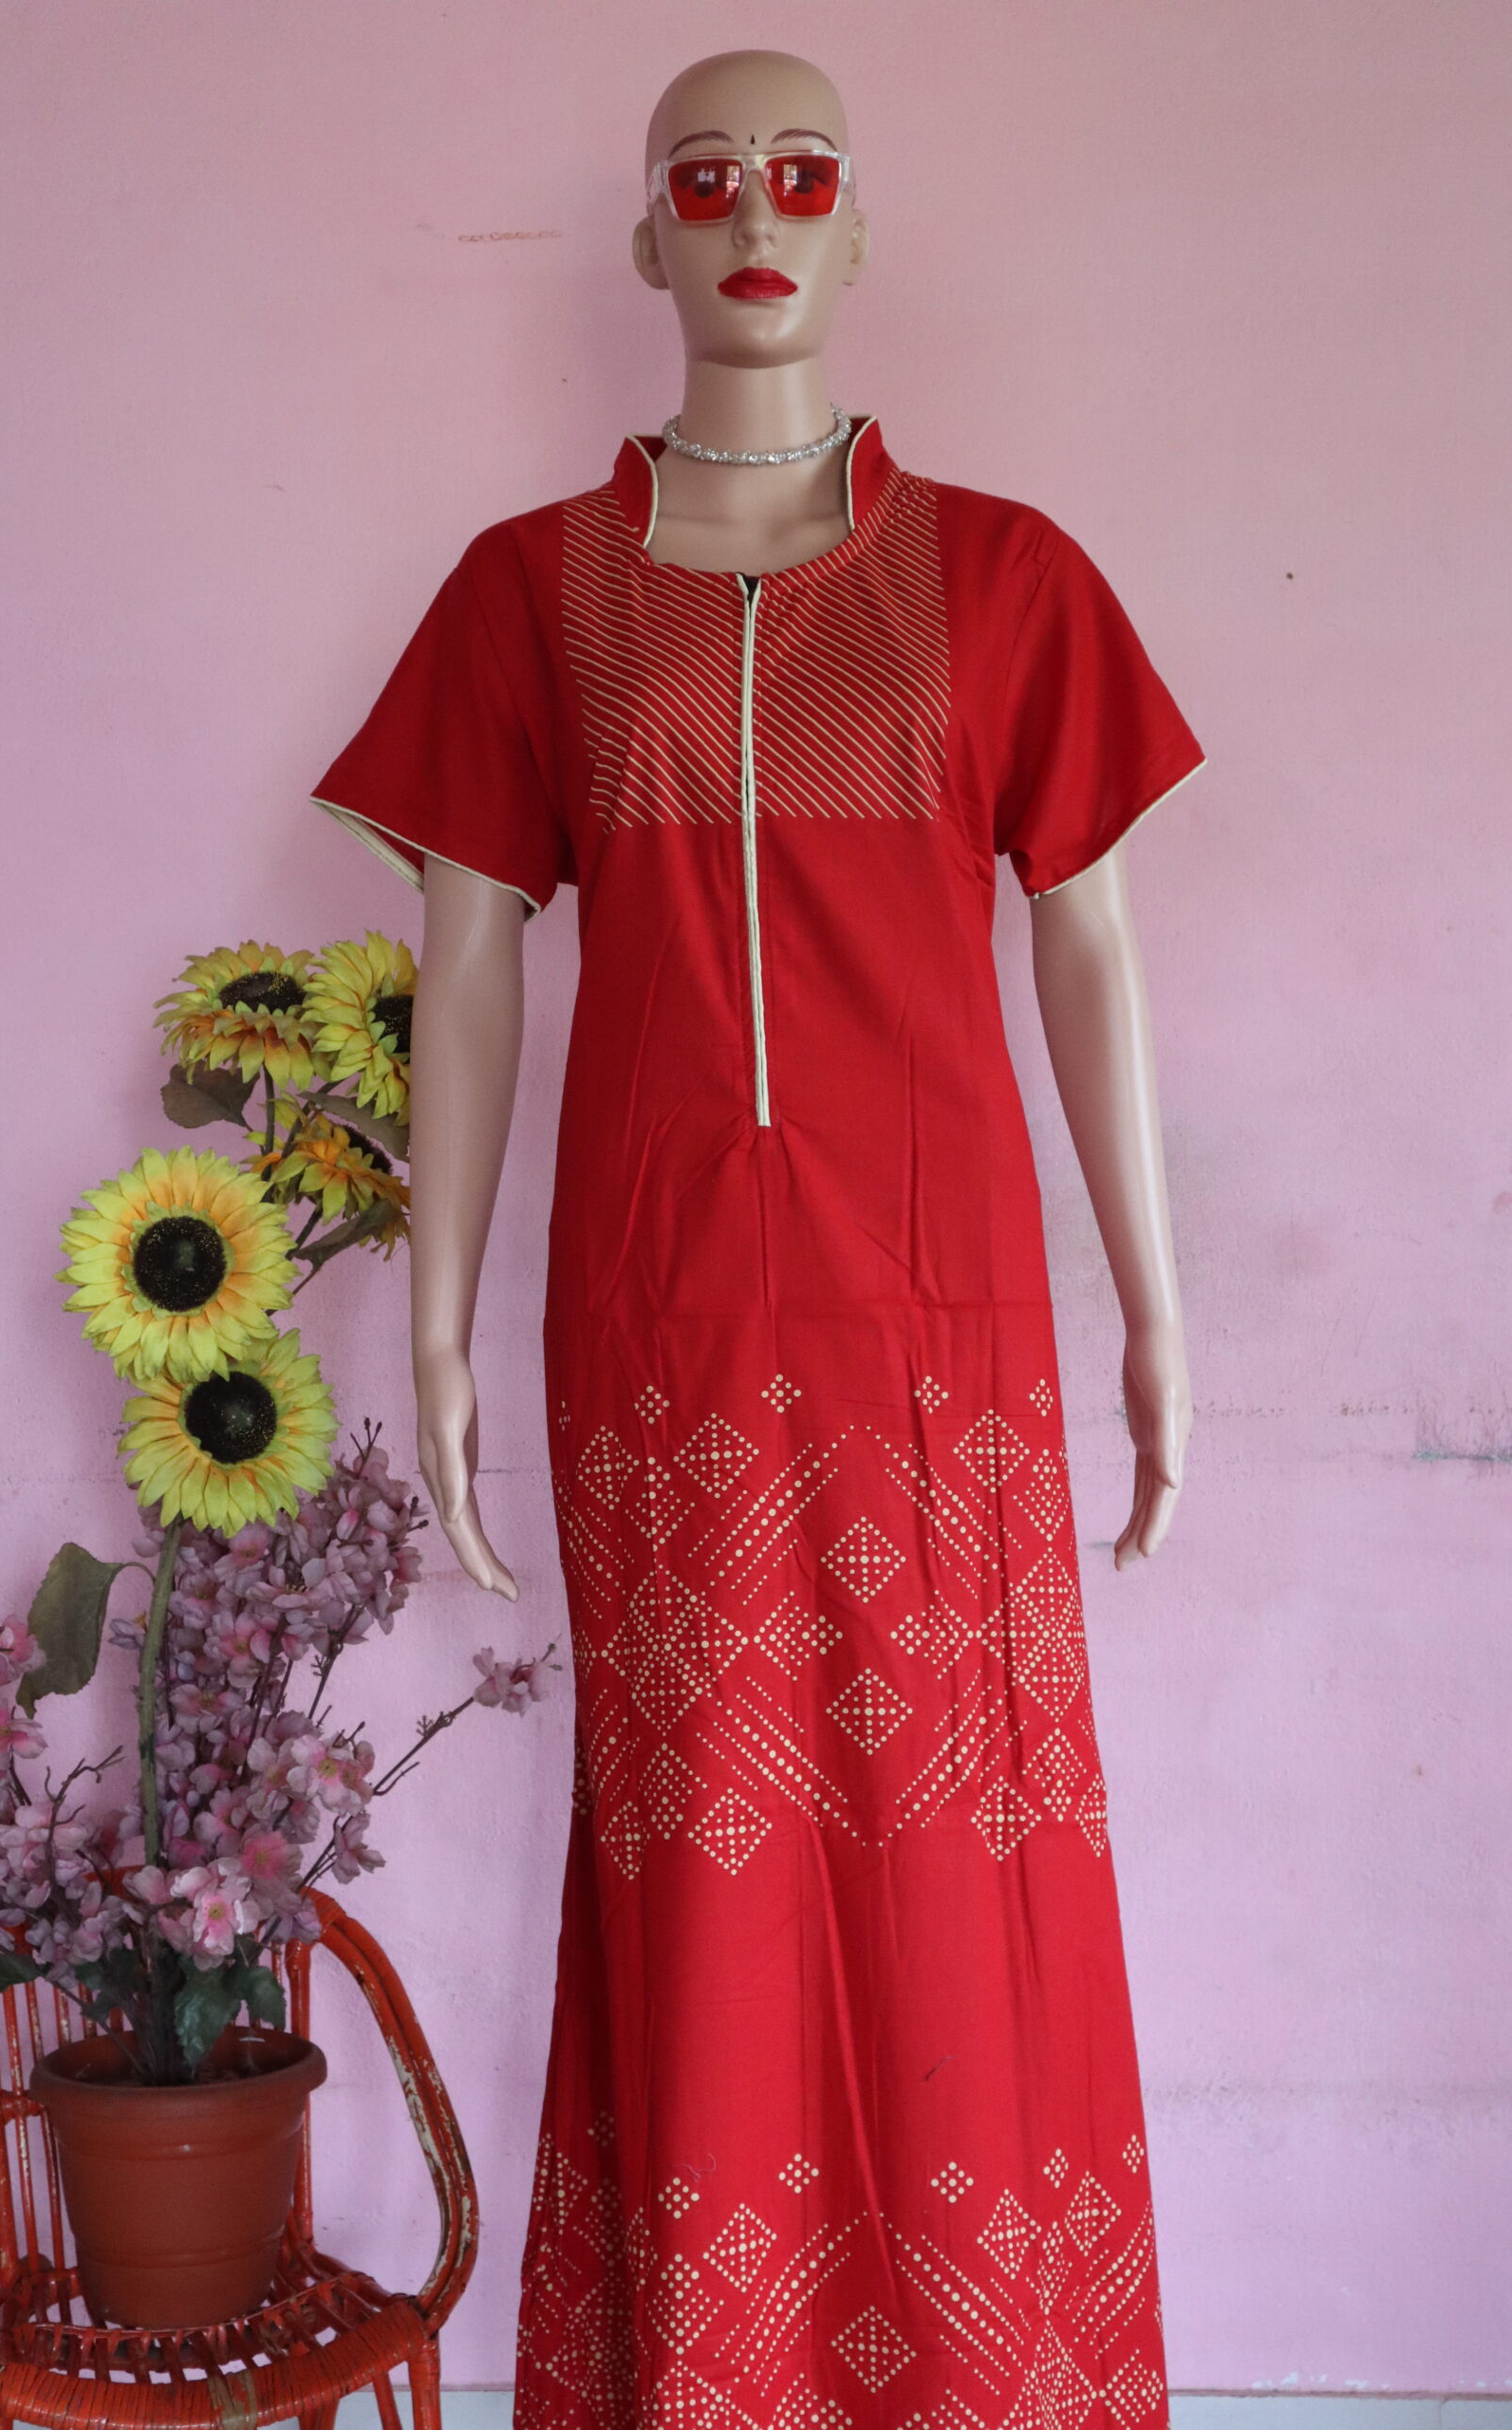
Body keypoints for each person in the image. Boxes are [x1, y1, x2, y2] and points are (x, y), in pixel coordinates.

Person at [311, 47, 1204, 2429]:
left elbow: (1090, 944)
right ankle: (708, 2382)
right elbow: (467, 961)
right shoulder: (533, 590)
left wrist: (1153, 1304)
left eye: (799, 176)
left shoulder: (1000, 574)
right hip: (660, 1324)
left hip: (941, 1326)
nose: (750, 216)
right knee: (699, 1862)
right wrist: (435, 1320)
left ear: (859, 230)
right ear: (643, 242)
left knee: (955, 1858)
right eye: (700, 182)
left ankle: (985, 2385)